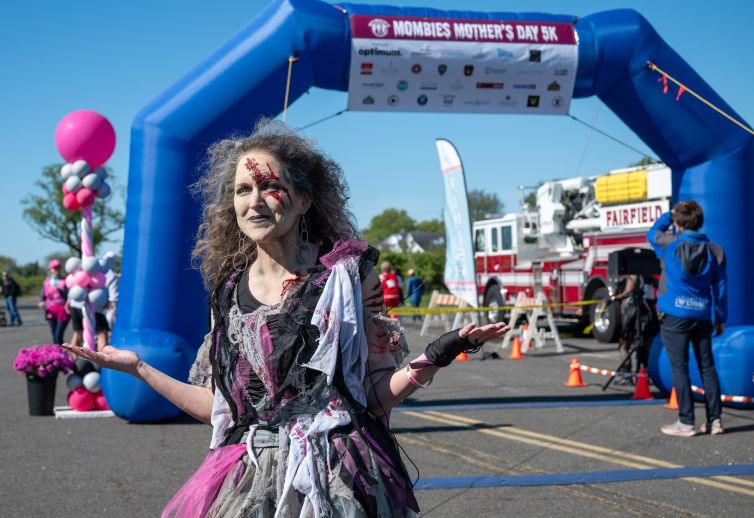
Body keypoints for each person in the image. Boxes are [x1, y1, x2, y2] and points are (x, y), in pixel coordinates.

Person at [63, 121, 508, 517]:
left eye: (269, 187)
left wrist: (439, 353)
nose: (254, 202)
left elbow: (371, 397)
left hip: (336, 481)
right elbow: (220, 411)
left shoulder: (347, 278)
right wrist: (138, 369)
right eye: (242, 190)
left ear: (303, 201)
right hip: (248, 481)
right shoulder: (227, 292)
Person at [647, 200, 726, 437]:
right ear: (699, 221)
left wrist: (668, 216)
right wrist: (719, 317)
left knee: (679, 368)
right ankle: (715, 421)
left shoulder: (669, 245)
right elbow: (721, 288)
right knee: (707, 366)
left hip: (674, 314)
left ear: (679, 223)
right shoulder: (716, 250)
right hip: (702, 314)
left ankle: (686, 421)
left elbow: (652, 233)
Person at [609, 274, 658, 385]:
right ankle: (645, 375)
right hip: (648, 313)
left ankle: (627, 376)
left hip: (632, 313)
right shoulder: (649, 276)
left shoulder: (633, 273)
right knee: (645, 346)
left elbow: (629, 290)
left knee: (624, 345)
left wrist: (614, 298)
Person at [38, 259, 69, 344]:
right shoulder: (47, 281)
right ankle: (58, 355)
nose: (56, 270)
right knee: (54, 335)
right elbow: (43, 295)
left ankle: (62, 355)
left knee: (58, 335)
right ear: (50, 269)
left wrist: (59, 289)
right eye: (54, 268)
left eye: (57, 268)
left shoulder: (65, 280)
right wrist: (41, 302)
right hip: (50, 309)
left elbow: (68, 296)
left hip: (63, 309)